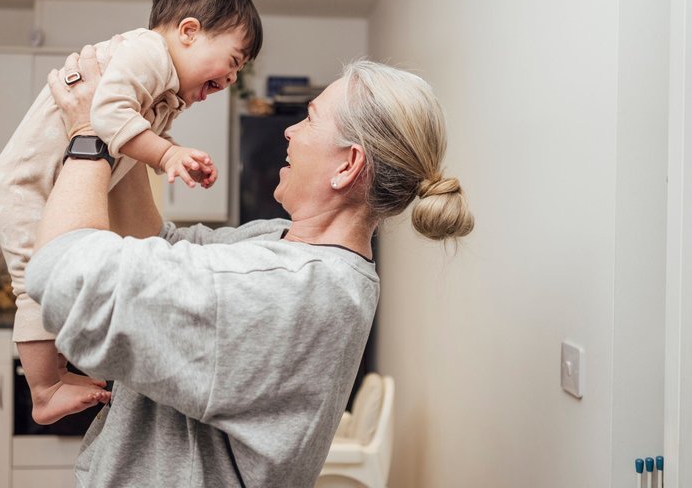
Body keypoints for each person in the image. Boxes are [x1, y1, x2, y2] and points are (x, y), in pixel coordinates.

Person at [26, 46, 474, 487]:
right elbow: (160, 244)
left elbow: (63, 274)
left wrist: (88, 135)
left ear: (348, 165)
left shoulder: (286, 292)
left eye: (310, 118)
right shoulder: (284, 243)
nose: (289, 132)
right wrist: (128, 127)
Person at [0, 0, 263, 425]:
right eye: (232, 60)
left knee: (55, 277)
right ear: (189, 31)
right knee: (36, 282)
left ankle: (56, 375)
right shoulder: (147, 53)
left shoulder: (165, 87)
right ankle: (45, 389)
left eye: (239, 70)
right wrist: (167, 153)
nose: (232, 77)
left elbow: (129, 143)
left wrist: (166, 155)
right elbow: (107, 114)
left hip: (48, 185)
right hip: (24, 186)